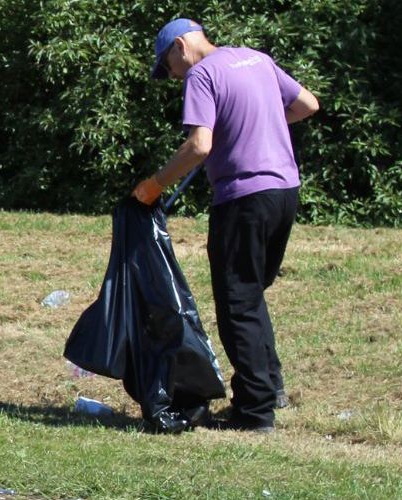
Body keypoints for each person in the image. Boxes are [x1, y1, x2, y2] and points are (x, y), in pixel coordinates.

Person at [132, 18, 320, 433]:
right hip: (285, 192)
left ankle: (255, 414)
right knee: (251, 295)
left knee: (237, 303)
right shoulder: (257, 60)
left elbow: (200, 145)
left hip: (243, 199)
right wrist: (254, 126)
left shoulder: (201, 74)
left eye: (168, 66)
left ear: (180, 46)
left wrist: (154, 185)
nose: (173, 76)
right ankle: (271, 386)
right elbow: (307, 105)